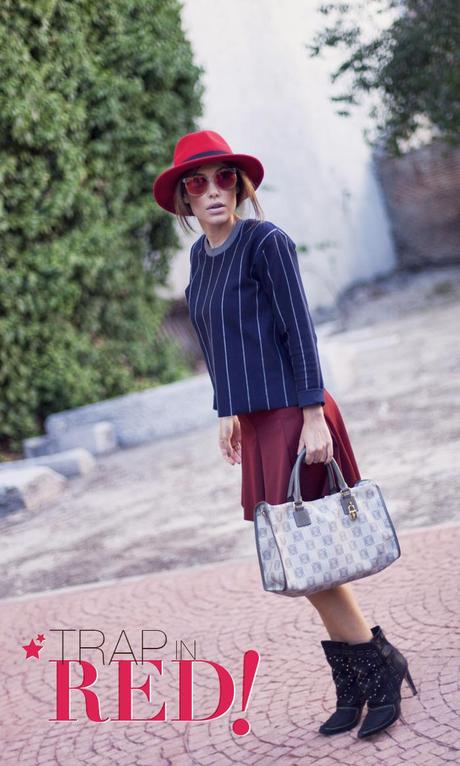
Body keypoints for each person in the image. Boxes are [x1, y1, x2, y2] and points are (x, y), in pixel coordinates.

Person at [152, 129, 417, 738]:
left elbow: (300, 329)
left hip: (297, 416)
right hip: (256, 421)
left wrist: (313, 416)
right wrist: (226, 410)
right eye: (198, 182)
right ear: (185, 200)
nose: (214, 190)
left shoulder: (265, 242)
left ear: (240, 185)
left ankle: (376, 673)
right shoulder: (199, 259)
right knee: (300, 562)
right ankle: (365, 674)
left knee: (314, 562)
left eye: (225, 177)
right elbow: (216, 343)